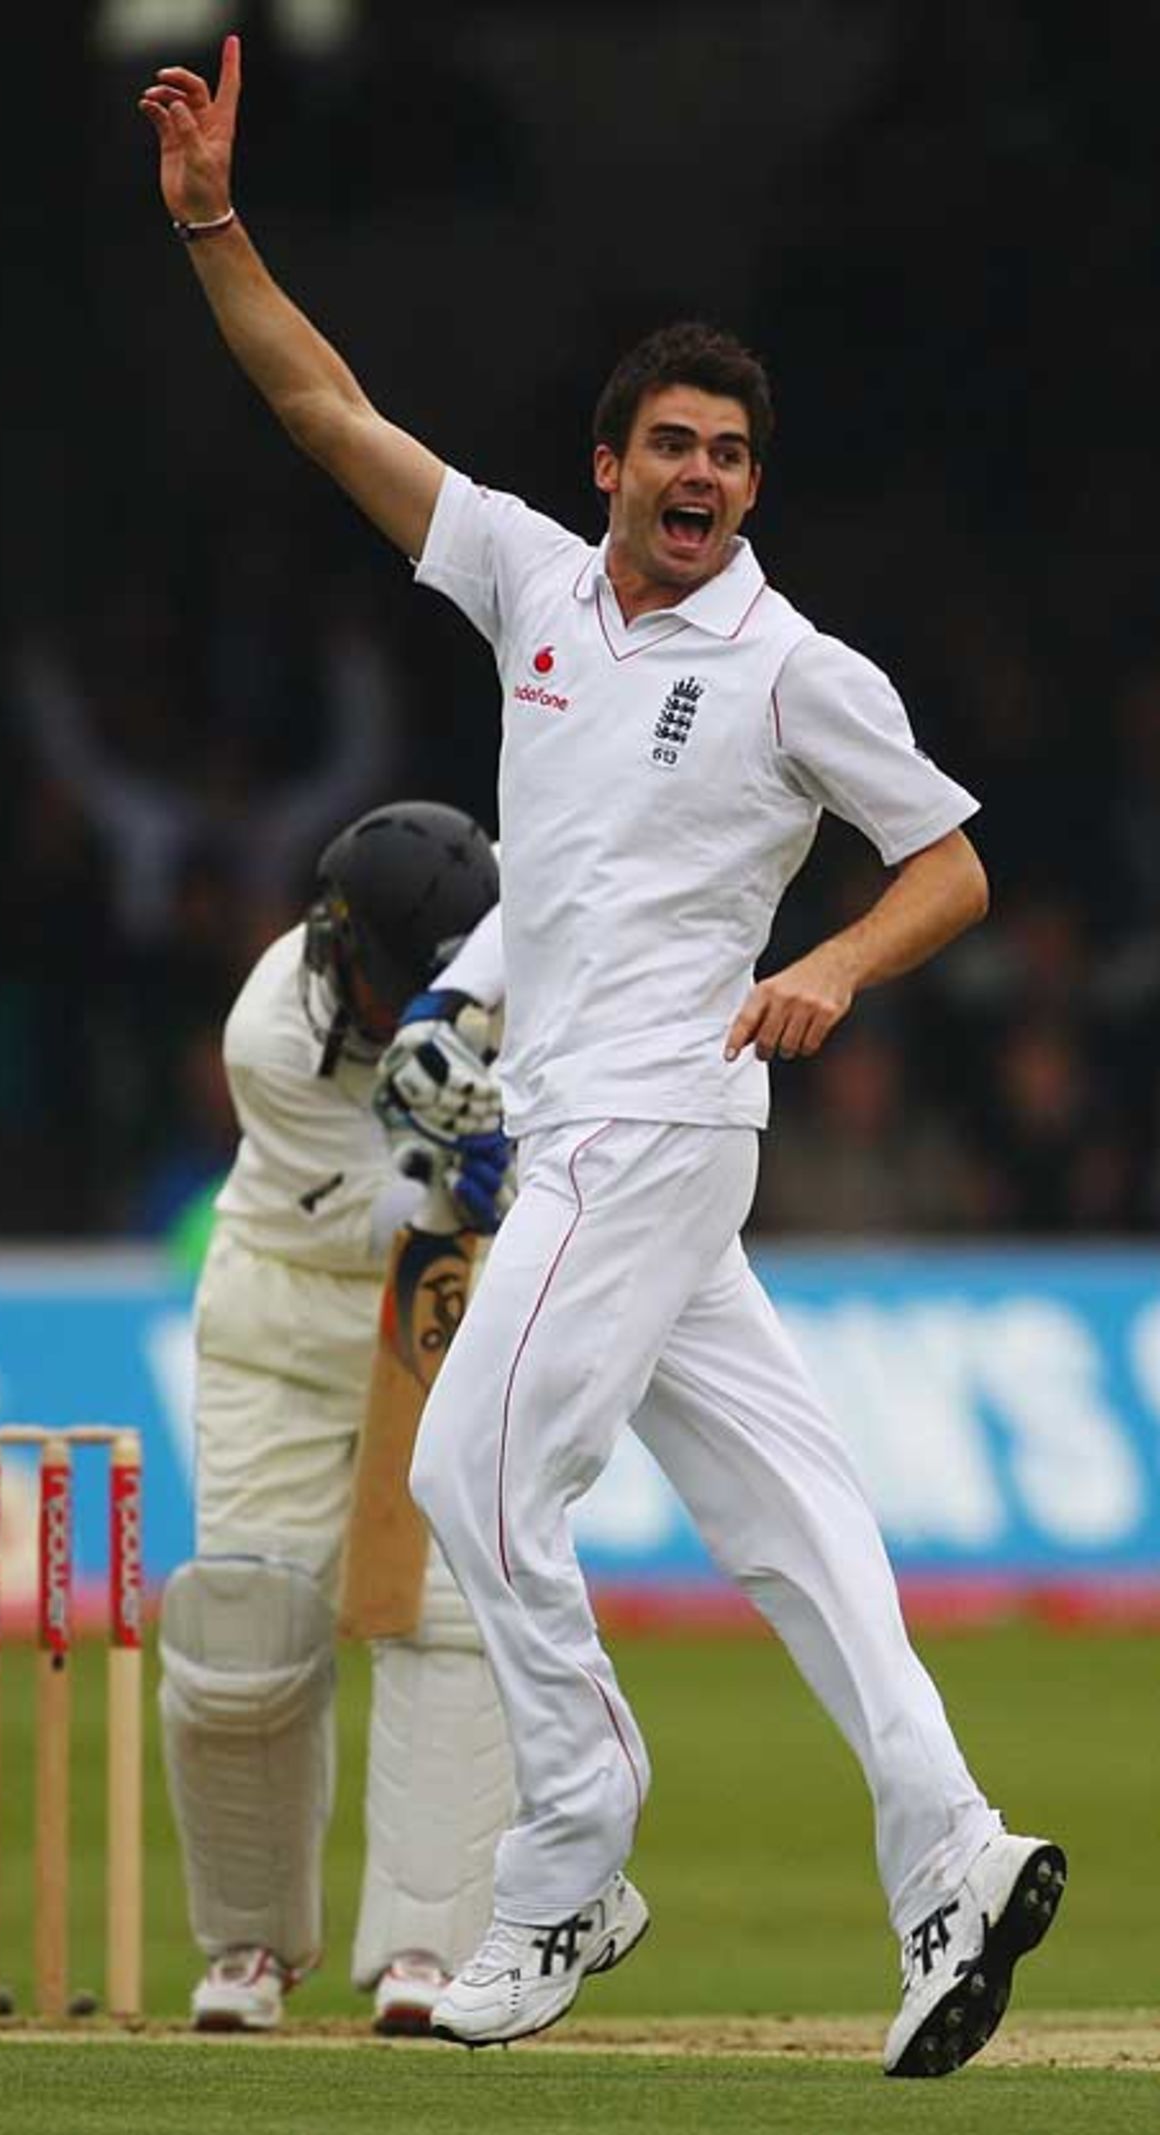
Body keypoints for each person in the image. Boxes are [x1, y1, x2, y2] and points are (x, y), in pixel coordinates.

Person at [138, 37, 1067, 2078]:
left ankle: (568, 1856)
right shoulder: (530, 582)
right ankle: (952, 1854)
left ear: (753, 479)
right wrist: (212, 219)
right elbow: (321, 405)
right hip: (619, 1132)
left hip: (643, 1118)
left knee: (473, 1470)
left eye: (728, 451)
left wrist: (828, 964)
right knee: (802, 1532)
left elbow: (957, 865)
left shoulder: (796, 669)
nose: (699, 475)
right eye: (669, 443)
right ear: (609, 465)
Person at [157, 796, 515, 2035]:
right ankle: (250, 1946)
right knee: (243, 1633)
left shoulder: (530, 938)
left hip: (451, 1311)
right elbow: (388, 1214)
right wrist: (482, 1165)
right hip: (288, 1318)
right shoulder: (270, 1028)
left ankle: (431, 1943)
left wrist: (517, 1157)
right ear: (343, 954)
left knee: (455, 1624)